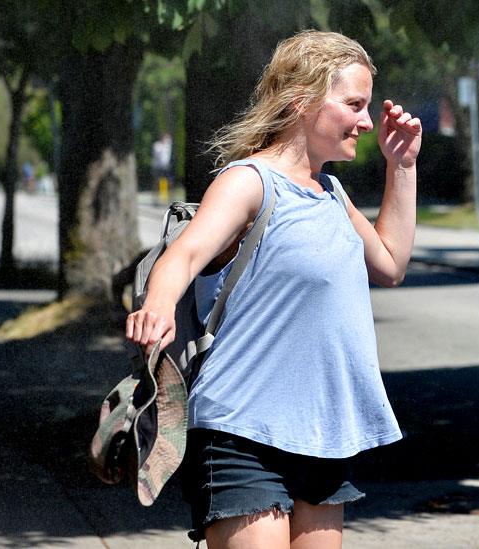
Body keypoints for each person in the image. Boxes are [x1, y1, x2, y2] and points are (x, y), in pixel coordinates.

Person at [125, 30, 421, 548]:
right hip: (243, 432)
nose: (367, 121)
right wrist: (158, 303)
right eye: (354, 104)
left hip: (326, 432)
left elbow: (391, 263)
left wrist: (404, 166)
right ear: (302, 101)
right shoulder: (250, 182)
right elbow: (186, 254)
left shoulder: (331, 193)